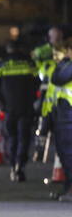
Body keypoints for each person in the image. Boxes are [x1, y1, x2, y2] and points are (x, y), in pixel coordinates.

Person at [0, 41, 39, 181]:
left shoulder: (1, 64)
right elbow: (37, 82)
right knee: (24, 138)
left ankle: (12, 166)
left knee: (11, 137)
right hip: (26, 107)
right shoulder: (29, 63)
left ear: (7, 49)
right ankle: (20, 166)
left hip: (9, 108)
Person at [48, 41, 72, 200]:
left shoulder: (68, 66)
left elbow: (58, 78)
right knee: (65, 155)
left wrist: (63, 62)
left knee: (69, 155)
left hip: (69, 117)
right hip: (64, 116)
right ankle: (68, 188)